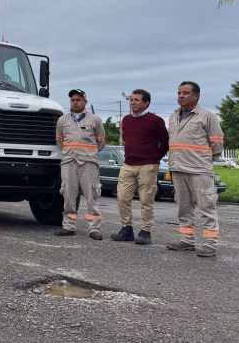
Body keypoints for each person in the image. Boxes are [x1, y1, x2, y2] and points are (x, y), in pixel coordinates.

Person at [165, 81, 224, 257]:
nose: (181, 96)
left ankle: (210, 244)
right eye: (179, 93)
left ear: (197, 96)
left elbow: (217, 145)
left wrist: (204, 160)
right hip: (177, 168)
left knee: (207, 207)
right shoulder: (173, 116)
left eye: (185, 93)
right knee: (183, 207)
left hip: (199, 170)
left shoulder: (207, 116)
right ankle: (187, 240)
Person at [110, 89, 169, 245]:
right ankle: (126, 229)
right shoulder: (126, 120)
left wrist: (155, 158)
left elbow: (165, 142)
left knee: (146, 199)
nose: (132, 103)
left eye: (136, 100)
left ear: (146, 103)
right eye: (131, 100)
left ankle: (145, 231)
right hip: (128, 164)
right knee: (122, 197)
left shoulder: (156, 121)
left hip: (147, 165)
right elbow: (126, 138)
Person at [54, 89, 106, 240]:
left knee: (91, 195)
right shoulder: (62, 120)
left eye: (78, 100)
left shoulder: (95, 120)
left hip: (88, 162)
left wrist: (88, 153)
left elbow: (101, 142)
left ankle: (94, 229)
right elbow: (59, 141)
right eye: (72, 100)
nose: (75, 102)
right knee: (68, 195)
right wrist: (70, 153)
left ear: (85, 102)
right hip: (69, 161)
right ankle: (68, 226)